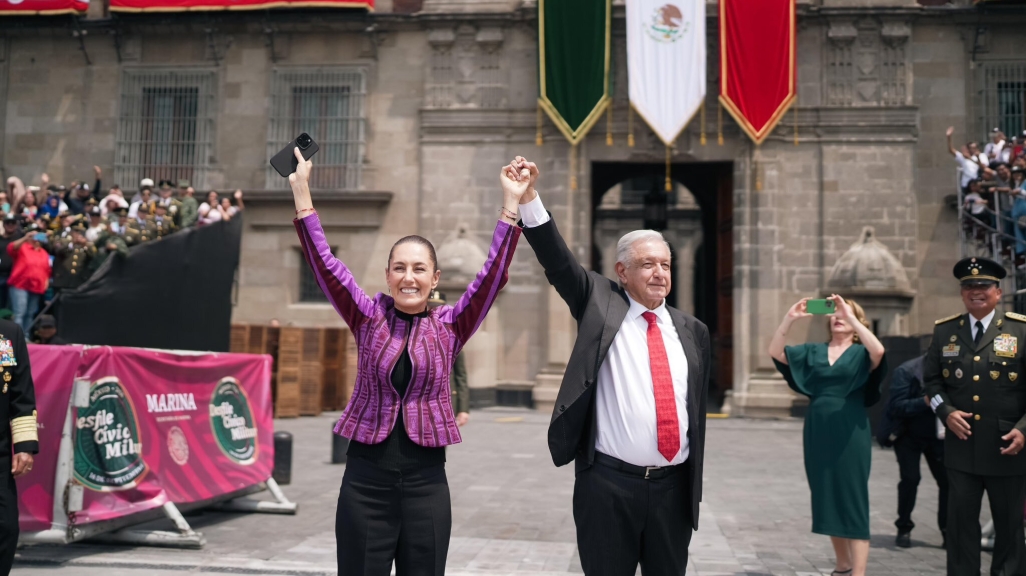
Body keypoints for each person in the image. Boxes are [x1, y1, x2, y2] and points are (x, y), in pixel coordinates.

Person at [290, 146, 525, 576]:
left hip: (426, 487)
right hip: (364, 485)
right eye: (399, 268)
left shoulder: (451, 325)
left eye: (419, 269)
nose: (408, 277)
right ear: (388, 276)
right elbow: (326, 266)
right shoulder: (367, 317)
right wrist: (301, 192)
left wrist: (511, 203)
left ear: (435, 279)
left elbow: (492, 275)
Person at [512, 156, 709, 576]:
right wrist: (528, 197)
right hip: (608, 487)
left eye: (665, 264)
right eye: (647, 264)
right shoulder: (600, 305)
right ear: (622, 271)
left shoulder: (694, 331)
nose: (659, 273)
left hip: (673, 491)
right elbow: (557, 260)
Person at [923, 257, 1026, 576]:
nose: (975, 291)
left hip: (1007, 447)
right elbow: (931, 383)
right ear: (961, 293)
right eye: (969, 286)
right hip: (962, 448)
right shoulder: (945, 331)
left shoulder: (1020, 330)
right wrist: (945, 411)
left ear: (998, 292)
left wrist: (1024, 430)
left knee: (1009, 529)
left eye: (983, 286)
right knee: (960, 528)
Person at [769, 295, 886, 576]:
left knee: (853, 497)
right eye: (834, 314)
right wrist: (789, 319)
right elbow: (776, 352)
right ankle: (843, 565)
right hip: (818, 431)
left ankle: (858, 573)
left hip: (851, 430)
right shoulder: (814, 350)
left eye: (843, 313)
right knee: (827, 495)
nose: (837, 317)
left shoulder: (862, 353)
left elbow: (879, 351)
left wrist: (851, 317)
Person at [886, 355, 947, 549]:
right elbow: (897, 406)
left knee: (948, 482)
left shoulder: (953, 369)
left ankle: (948, 531)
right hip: (908, 435)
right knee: (910, 479)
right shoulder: (907, 370)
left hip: (939, 435)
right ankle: (904, 527)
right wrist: (925, 402)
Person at [0, 315, 37, 573]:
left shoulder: (9, 334)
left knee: (6, 527)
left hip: (0, 453)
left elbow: (21, 395)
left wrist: (24, 446)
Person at [427, 290, 470, 426]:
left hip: (447, 402)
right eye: (430, 307)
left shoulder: (453, 339)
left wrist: (463, 409)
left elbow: (461, 376)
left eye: (437, 308)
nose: (434, 311)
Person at [5, 229, 50, 332]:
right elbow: (11, 247)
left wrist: (46, 282)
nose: (36, 239)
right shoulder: (23, 247)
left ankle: (26, 335)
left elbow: (47, 270)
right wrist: (25, 237)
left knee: (30, 313)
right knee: (20, 312)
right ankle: (17, 336)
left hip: (36, 287)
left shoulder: (43, 253)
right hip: (20, 285)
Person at [0, 216, 22, 312]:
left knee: (12, 306)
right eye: (8, 223)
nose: (10, 225)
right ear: (4, 225)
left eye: (13, 223)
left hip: (15, 277)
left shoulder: (20, 239)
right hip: (1, 275)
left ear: (16, 225)